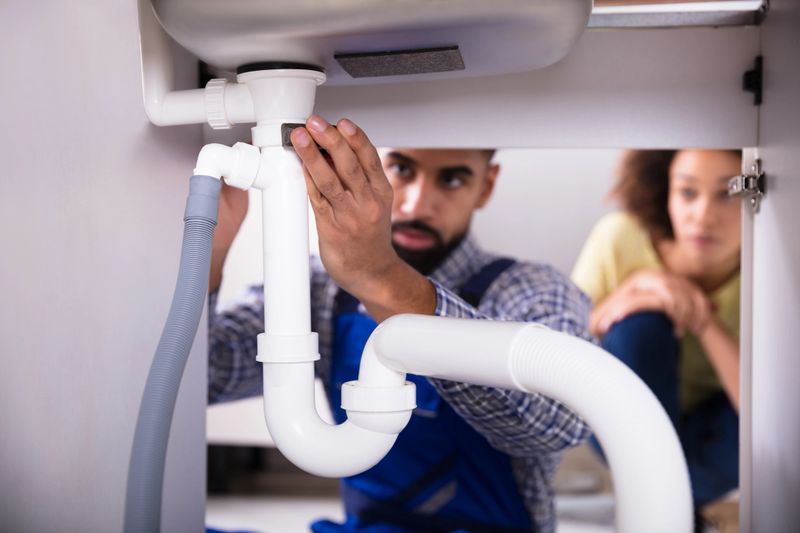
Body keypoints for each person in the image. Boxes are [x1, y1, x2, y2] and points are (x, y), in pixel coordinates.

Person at [208, 115, 594, 533]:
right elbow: (203, 377)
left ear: (486, 185)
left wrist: (380, 278)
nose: (416, 205)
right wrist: (213, 248)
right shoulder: (321, 289)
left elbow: (559, 426)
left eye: (451, 180)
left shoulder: (533, 290)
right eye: (402, 170)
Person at [571, 149, 742, 511]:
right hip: (626, 418)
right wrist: (636, 289)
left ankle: (664, 502)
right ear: (665, 191)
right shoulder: (619, 237)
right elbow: (563, 354)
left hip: (718, 427)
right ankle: (675, 504)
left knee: (761, 424)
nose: (703, 216)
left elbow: (768, 412)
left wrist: (702, 318)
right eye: (687, 192)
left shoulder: (774, 261)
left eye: (728, 193)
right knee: (640, 325)